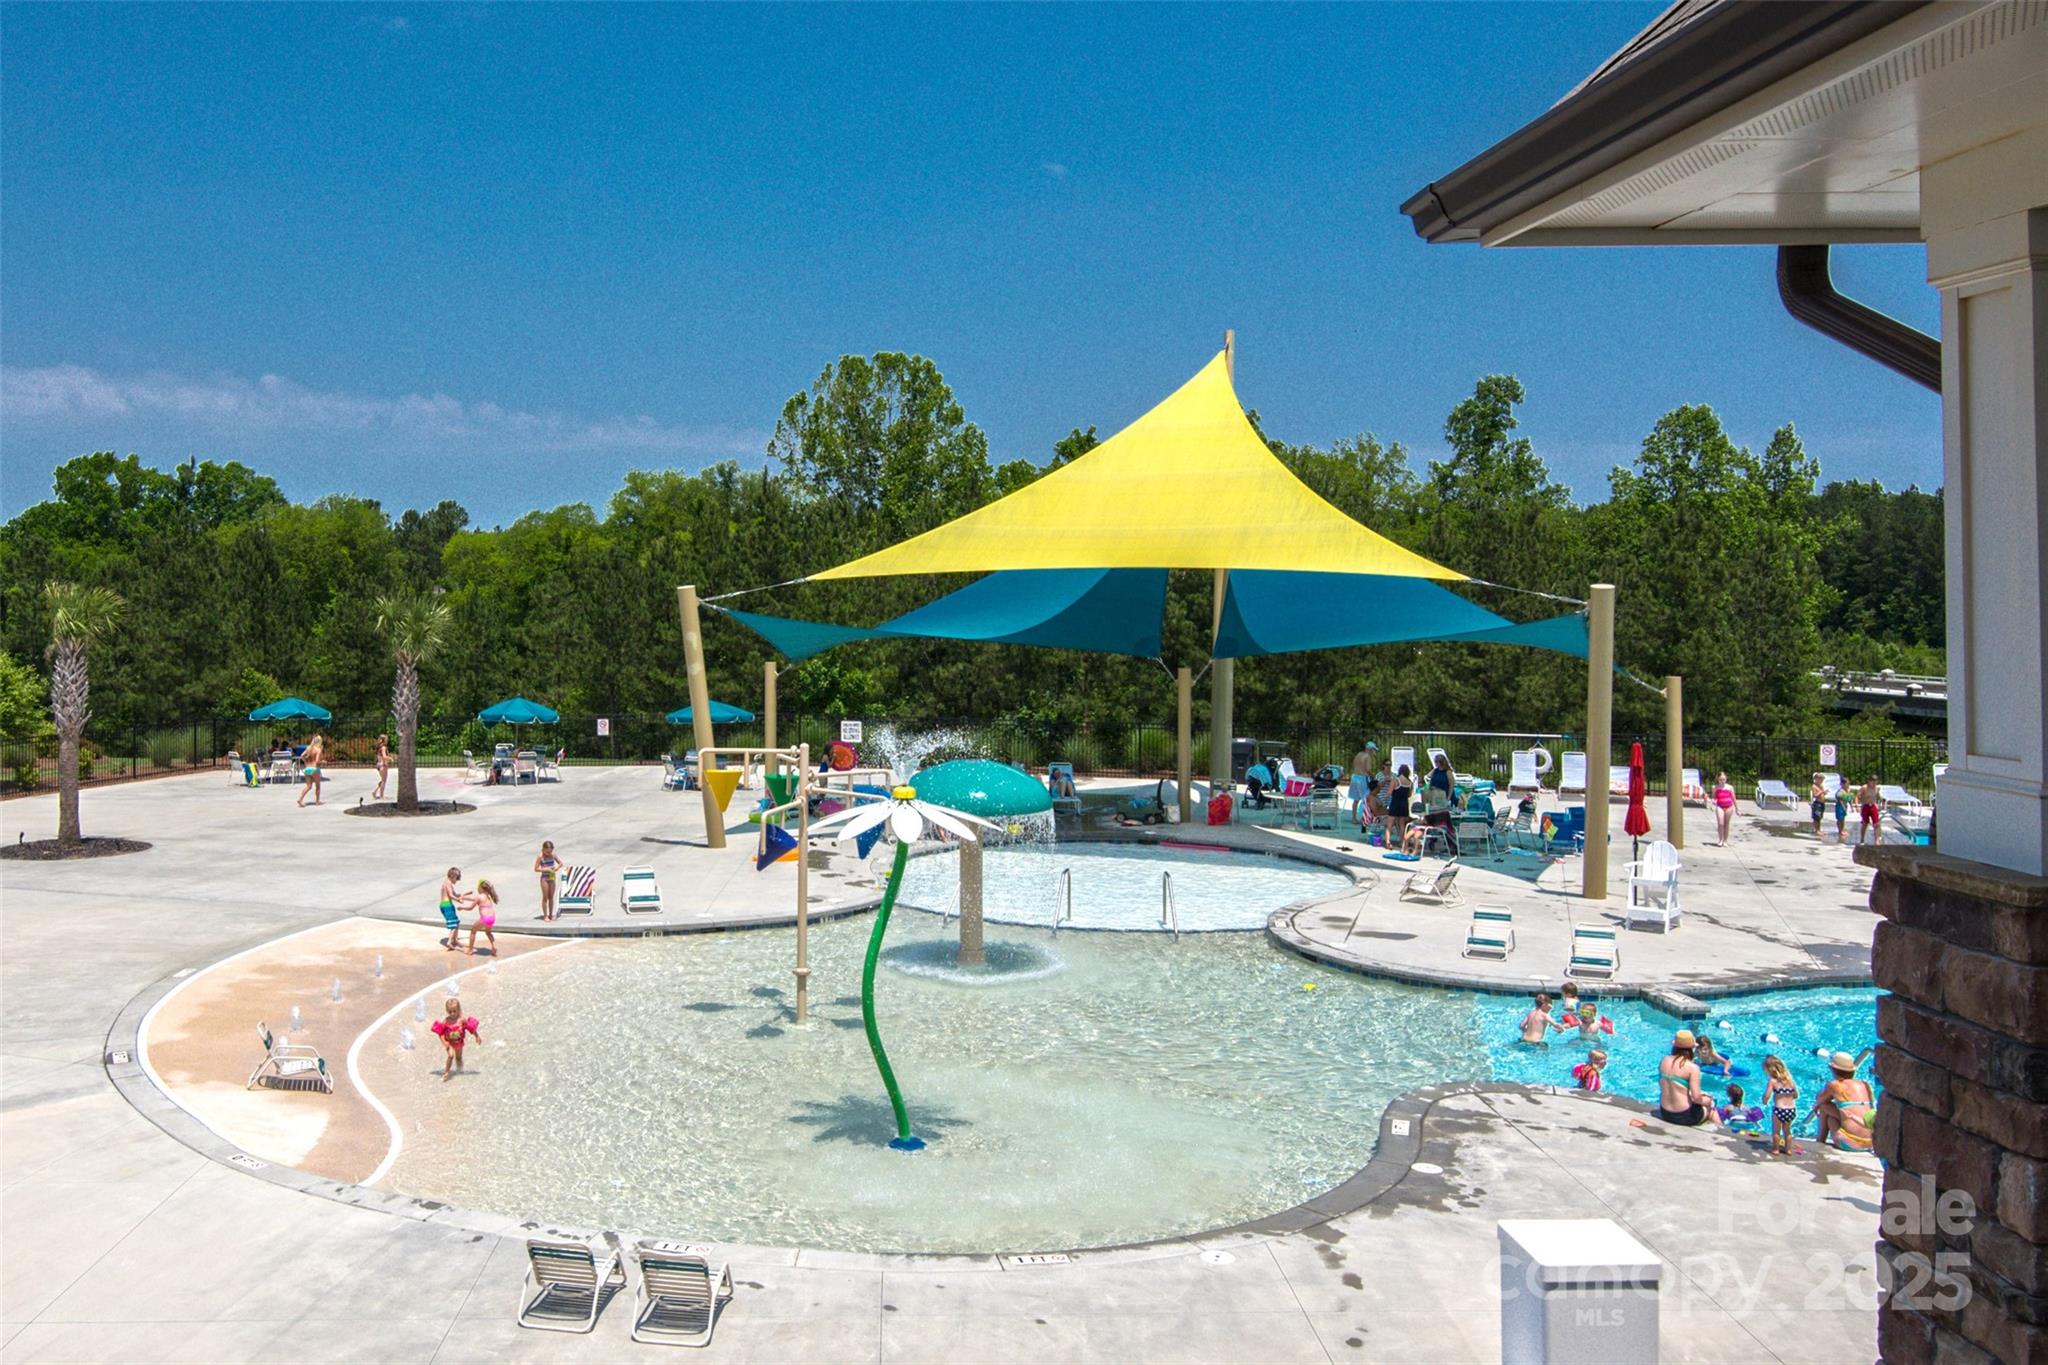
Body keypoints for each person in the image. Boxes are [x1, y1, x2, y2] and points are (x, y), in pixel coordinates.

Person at [1813, 1050, 1877, 1150]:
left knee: (1825, 1109)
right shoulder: (1865, 1085)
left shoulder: (1835, 1085)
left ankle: (1820, 1141)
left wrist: (1819, 1102)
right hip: (1872, 1143)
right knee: (1842, 1112)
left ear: (1832, 1069)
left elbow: (1819, 1100)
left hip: (1849, 1144)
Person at [1657, 1029, 1712, 1125]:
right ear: (1691, 1048)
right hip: (1685, 1116)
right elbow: (1696, 1099)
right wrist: (1708, 1100)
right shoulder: (1693, 1068)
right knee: (1711, 1107)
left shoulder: (1664, 1060)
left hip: (1665, 1112)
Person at [432, 996, 481, 1080]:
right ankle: (446, 1072)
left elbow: (470, 1028)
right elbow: (440, 1033)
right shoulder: (446, 1021)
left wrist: (477, 1036)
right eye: (450, 1011)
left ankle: (460, 1071)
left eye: (454, 1011)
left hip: (459, 1042)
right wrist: (445, 1043)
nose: (452, 1014)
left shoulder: (462, 1020)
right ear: (447, 1011)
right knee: (451, 1056)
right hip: (449, 1043)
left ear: (459, 1010)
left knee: (458, 1058)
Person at [1761, 1055, 1801, 1155]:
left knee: (1776, 1131)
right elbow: (1796, 1095)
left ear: (1769, 1070)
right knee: (1787, 1131)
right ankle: (1788, 1150)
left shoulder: (1773, 1081)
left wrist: (1765, 1101)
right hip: (1791, 1110)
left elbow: (1767, 1095)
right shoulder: (1790, 1080)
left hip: (1779, 1110)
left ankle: (1776, 1149)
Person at [463, 879, 499, 956]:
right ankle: (494, 947)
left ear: (480, 888)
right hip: (492, 918)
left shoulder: (479, 897)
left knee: (473, 931)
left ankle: (470, 950)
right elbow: (472, 898)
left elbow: (470, 908)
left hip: (485, 919)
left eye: (478, 887)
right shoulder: (488, 897)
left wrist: (462, 908)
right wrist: (463, 897)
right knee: (488, 932)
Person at [437, 867, 464, 951]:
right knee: (454, 924)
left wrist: (461, 895)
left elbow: (454, 894)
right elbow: (451, 895)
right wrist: (458, 900)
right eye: (457, 878)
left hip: (445, 905)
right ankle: (449, 942)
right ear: (452, 876)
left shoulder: (447, 883)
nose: (457, 880)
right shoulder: (448, 883)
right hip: (447, 905)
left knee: (457, 922)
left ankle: (455, 940)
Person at [533, 841, 561, 922]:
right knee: (545, 897)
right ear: (543, 849)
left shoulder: (553, 855)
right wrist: (546, 869)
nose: (549, 853)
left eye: (550, 851)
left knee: (551, 897)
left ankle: (551, 914)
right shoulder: (540, 857)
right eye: (547, 851)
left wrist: (557, 867)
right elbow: (536, 868)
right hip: (544, 878)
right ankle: (545, 915)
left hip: (551, 877)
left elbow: (560, 863)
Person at [1387, 765, 1414, 848]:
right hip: (1404, 804)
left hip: (1395, 803)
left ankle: (1388, 842)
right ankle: (1401, 841)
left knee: (1390, 823)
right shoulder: (1410, 783)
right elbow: (1409, 795)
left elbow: (1389, 792)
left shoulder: (1395, 780)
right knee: (1402, 824)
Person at [295, 734, 325, 808]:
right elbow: (317, 761)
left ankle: (300, 799)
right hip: (314, 768)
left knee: (308, 786)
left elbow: (302, 755)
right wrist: (323, 762)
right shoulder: (318, 750)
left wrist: (305, 762)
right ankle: (317, 801)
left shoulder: (309, 748)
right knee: (318, 786)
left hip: (307, 768)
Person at [1711, 771, 1736, 846]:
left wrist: (1737, 808)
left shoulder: (1730, 787)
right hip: (1720, 806)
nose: (1722, 781)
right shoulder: (1715, 787)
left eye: (1724, 779)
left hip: (1729, 806)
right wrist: (1714, 801)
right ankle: (1720, 839)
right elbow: (1714, 797)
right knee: (1721, 823)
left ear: (1726, 779)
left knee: (1726, 824)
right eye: (1720, 779)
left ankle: (1725, 840)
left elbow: (1733, 798)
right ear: (1718, 779)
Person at [1857, 777, 1883, 846]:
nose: (1874, 783)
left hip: (1873, 806)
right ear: (1869, 781)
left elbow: (1878, 796)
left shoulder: (1876, 788)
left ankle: (1877, 840)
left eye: (1875, 782)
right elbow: (1857, 796)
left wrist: (1881, 802)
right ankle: (1862, 838)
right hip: (1865, 806)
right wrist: (1857, 805)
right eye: (1873, 781)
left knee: (1876, 823)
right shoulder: (1864, 788)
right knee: (1865, 823)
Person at [1809, 773, 1828, 839]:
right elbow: (1815, 795)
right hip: (1817, 803)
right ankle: (1816, 830)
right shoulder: (1814, 786)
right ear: (1816, 779)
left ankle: (1819, 829)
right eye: (1820, 779)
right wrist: (1821, 792)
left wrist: (1824, 792)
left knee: (1819, 817)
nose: (1821, 781)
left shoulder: (1821, 786)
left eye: (1822, 780)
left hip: (1822, 803)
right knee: (1816, 817)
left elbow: (1822, 794)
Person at [372, 734, 391, 801]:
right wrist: (390, 758)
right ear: (384, 740)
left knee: (382, 780)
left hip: (378, 764)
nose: (387, 740)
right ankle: (381, 795)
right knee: (384, 780)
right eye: (386, 739)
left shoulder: (379, 747)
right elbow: (384, 756)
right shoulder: (383, 748)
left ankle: (375, 792)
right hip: (383, 765)